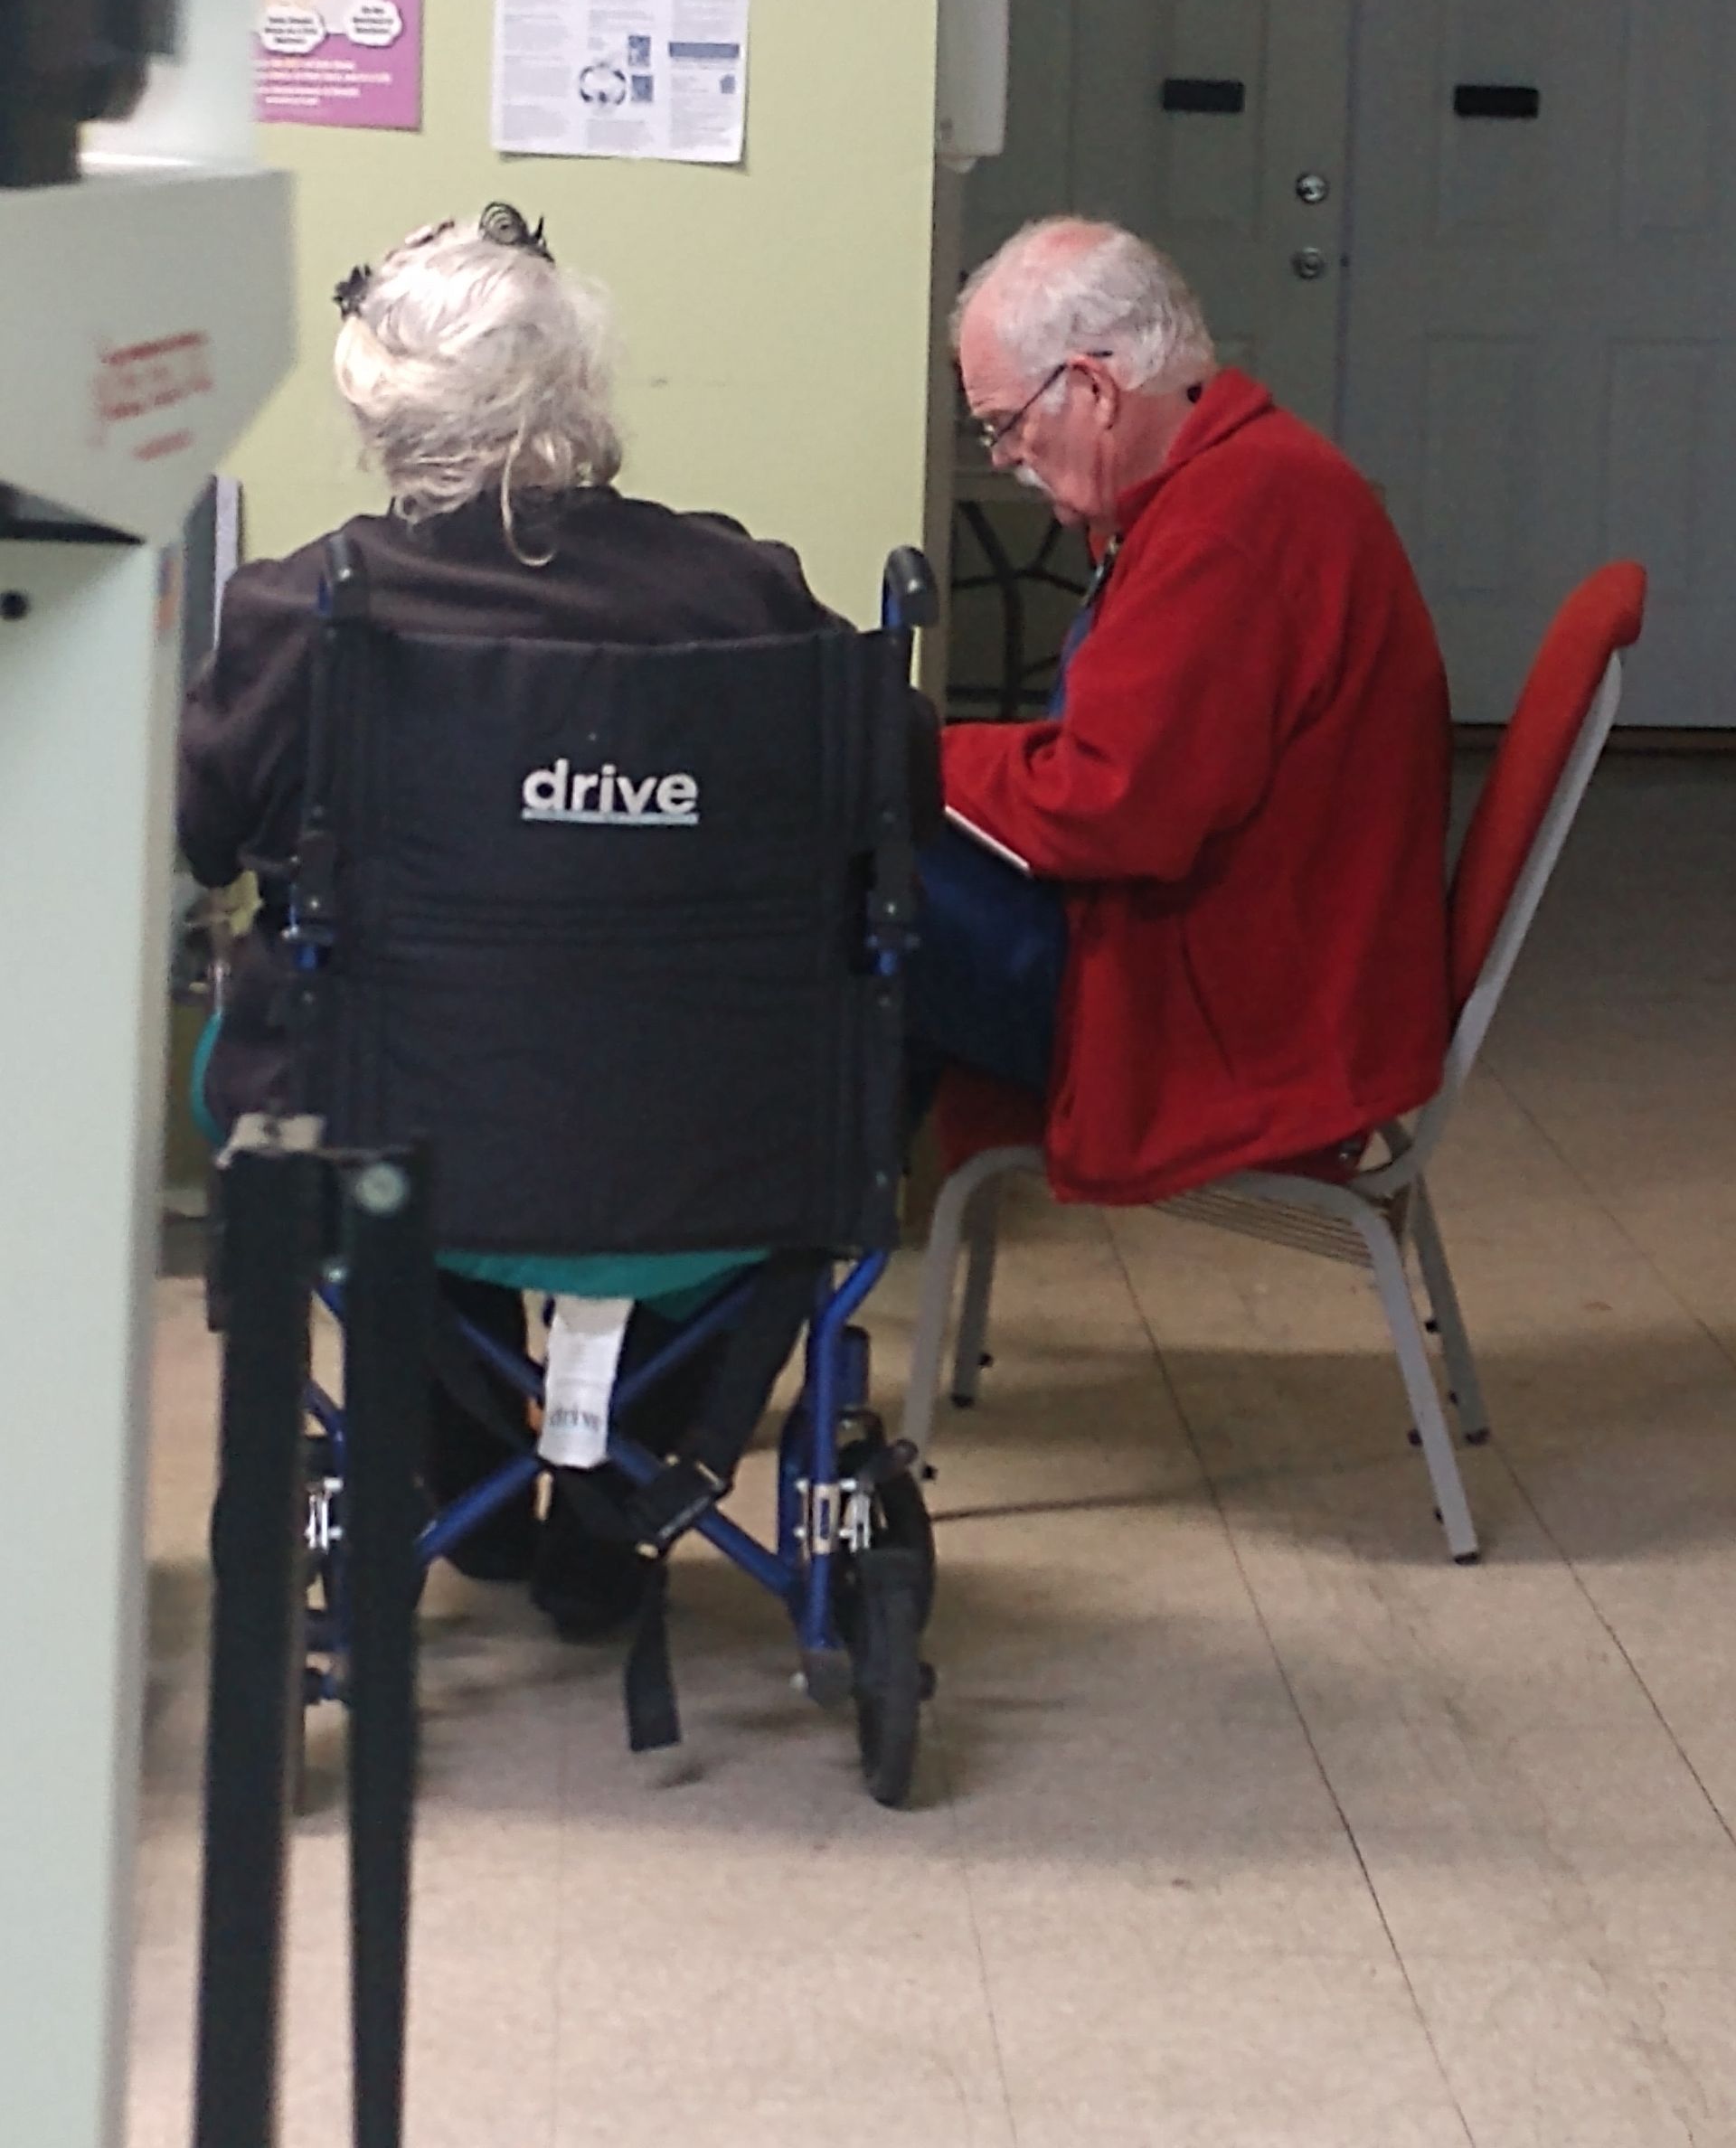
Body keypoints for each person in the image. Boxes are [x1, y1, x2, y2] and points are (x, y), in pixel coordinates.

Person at [180, 203, 930, 1632]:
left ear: (383, 423)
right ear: (580, 390)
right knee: (725, 1092)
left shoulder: (306, 611)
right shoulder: (748, 596)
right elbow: (906, 798)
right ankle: (629, 1503)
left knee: (379, 1076)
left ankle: (463, 1474)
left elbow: (196, 829)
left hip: (399, 1147)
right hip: (726, 1157)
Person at [910, 215, 1452, 1201]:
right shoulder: (1249, 478)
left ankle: (751, 1268)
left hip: (1235, 1017)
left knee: (835, 862)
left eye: (1003, 423)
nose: (1002, 457)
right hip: (1261, 963)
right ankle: (798, 1254)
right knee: (852, 874)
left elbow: (1107, 806)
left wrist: (921, 757)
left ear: (1092, 389)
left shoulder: (1226, 528)